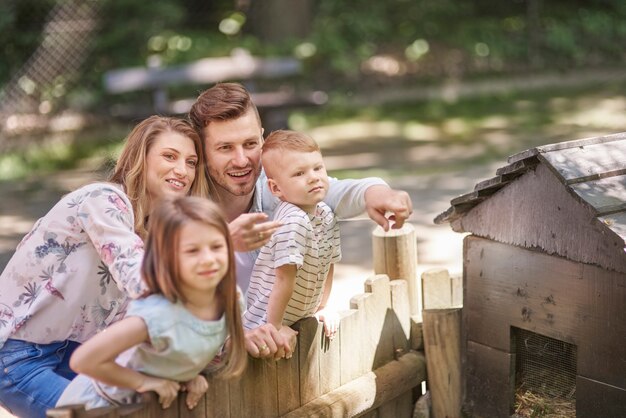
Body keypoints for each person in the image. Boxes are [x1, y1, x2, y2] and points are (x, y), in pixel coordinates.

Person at [0, 116, 209, 418]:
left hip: (72, 354)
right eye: (169, 156)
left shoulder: (152, 235)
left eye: (191, 162)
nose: (182, 170)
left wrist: (182, 366)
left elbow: (136, 321)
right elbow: (140, 280)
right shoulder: (104, 201)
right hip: (16, 354)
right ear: (141, 158)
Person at [189, 82, 413, 359]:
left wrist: (376, 192)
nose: (241, 160)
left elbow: (333, 190)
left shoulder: (274, 187)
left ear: (262, 137)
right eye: (225, 148)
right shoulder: (184, 210)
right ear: (201, 150)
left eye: (250, 144)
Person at [56, 196, 246, 411]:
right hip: (100, 406)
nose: (209, 259)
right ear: (166, 258)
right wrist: (143, 382)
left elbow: (184, 349)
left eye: (217, 246)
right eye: (193, 251)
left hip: (146, 408)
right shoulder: (158, 315)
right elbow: (84, 360)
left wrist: (188, 375)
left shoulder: (231, 300)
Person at [243, 130, 341, 340]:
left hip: (298, 317)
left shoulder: (326, 214)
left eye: (317, 168)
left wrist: (323, 307)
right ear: (276, 188)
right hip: (263, 324)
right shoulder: (292, 221)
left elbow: (328, 264)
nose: (313, 177)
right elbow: (282, 279)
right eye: (299, 173)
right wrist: (275, 326)